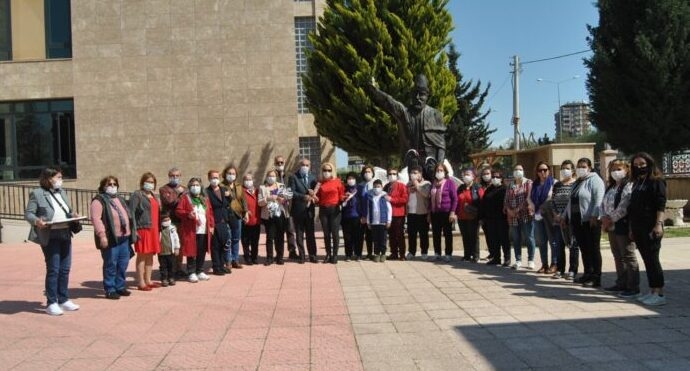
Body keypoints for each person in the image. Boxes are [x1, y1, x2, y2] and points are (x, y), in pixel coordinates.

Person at [25, 167, 82, 314]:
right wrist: (37, 221)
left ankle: (63, 299)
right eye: (58, 177)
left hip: (65, 233)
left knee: (65, 268)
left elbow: (66, 210)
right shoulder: (37, 194)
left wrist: (73, 215)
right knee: (54, 269)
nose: (60, 180)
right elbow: (29, 214)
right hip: (50, 235)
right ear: (49, 178)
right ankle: (51, 302)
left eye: (61, 177)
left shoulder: (62, 192)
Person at [367, 74, 447, 179]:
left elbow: (441, 145)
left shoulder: (435, 114)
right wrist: (375, 91)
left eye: (422, 94)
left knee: (434, 191)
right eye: (415, 94)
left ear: (427, 96)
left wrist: (439, 166)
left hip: (431, 162)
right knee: (413, 190)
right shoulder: (406, 113)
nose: (418, 98)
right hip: (413, 161)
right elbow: (389, 102)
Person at [628, 152, 667, 306]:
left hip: (651, 225)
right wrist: (632, 228)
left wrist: (659, 224)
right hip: (638, 226)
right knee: (646, 260)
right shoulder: (637, 183)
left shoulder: (657, 181)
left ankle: (660, 293)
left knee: (653, 259)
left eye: (642, 164)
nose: (639, 167)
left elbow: (660, 204)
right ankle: (652, 290)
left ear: (649, 164)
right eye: (636, 165)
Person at [90, 175, 135, 300]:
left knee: (123, 263)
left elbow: (127, 215)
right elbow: (96, 219)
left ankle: (120, 286)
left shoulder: (119, 199)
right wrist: (102, 236)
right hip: (111, 238)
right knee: (111, 264)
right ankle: (110, 289)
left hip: (124, 237)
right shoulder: (98, 201)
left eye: (114, 184)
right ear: (103, 186)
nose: (112, 187)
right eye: (109, 184)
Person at [564, 158, 605, 287]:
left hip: (590, 220)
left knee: (593, 249)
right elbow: (570, 201)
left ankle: (596, 276)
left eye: (584, 166)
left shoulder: (595, 180)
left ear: (590, 167)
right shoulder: (577, 183)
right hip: (577, 220)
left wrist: (594, 215)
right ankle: (588, 273)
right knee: (584, 249)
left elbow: (599, 198)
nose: (581, 168)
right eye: (579, 166)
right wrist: (564, 216)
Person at [601, 159, 639, 297]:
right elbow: (603, 204)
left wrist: (611, 219)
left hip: (622, 225)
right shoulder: (611, 187)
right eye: (613, 169)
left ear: (627, 169)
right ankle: (621, 282)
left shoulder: (628, 186)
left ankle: (633, 286)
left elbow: (624, 206)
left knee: (628, 256)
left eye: (619, 169)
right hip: (611, 227)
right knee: (617, 256)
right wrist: (604, 218)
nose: (616, 172)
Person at [176, 177, 215, 282]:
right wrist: (188, 214)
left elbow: (210, 213)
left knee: (201, 251)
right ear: (189, 187)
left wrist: (211, 225)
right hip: (191, 230)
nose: (195, 187)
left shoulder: (204, 199)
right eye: (193, 185)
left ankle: (200, 270)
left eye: (197, 185)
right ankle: (191, 272)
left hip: (203, 230)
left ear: (201, 187)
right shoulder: (185, 198)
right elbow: (179, 211)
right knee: (191, 251)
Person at [129, 172, 161, 290]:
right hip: (143, 229)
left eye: (152, 182)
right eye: (148, 182)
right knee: (142, 255)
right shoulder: (137, 195)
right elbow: (131, 212)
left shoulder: (153, 195)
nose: (150, 184)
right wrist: (134, 229)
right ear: (142, 182)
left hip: (154, 229)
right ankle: (141, 282)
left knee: (150, 256)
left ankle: (148, 280)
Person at [504, 164, 536, 270]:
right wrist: (509, 210)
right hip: (513, 217)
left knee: (529, 238)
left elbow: (529, 197)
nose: (518, 171)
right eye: (516, 169)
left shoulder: (528, 183)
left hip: (526, 215)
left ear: (523, 171)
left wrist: (517, 210)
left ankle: (531, 260)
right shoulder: (510, 185)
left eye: (520, 169)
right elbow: (506, 199)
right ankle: (518, 260)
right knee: (516, 239)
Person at [550, 160, 577, 280]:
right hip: (557, 220)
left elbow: (574, 203)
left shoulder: (576, 184)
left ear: (572, 170)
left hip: (570, 220)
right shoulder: (557, 185)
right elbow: (553, 201)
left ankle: (572, 270)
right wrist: (556, 215)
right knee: (559, 246)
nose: (565, 170)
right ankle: (560, 269)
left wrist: (565, 216)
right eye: (563, 168)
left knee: (573, 246)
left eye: (567, 168)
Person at [259, 169, 291, 265]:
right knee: (270, 237)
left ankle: (279, 257)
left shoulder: (281, 186)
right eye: (269, 176)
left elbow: (287, 200)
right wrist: (268, 198)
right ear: (266, 177)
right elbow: (260, 203)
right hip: (269, 216)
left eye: (273, 176)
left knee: (280, 237)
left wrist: (284, 200)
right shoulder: (262, 187)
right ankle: (269, 257)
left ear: (276, 177)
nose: (271, 178)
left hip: (280, 215)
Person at [288, 158, 318, 263]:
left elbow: (316, 193)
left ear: (309, 167)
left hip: (309, 211)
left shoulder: (313, 178)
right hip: (298, 211)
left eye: (307, 165)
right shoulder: (293, 177)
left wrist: (313, 195)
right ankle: (302, 256)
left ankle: (313, 255)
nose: (305, 167)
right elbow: (291, 192)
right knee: (299, 234)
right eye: (303, 165)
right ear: (299, 165)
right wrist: (303, 197)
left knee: (310, 234)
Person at [159, 167, 186, 278]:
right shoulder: (164, 189)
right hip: (169, 221)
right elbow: (169, 201)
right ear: (169, 176)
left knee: (180, 246)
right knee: (169, 247)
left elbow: (187, 202)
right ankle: (169, 271)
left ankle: (179, 268)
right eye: (172, 176)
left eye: (177, 176)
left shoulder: (185, 188)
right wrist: (177, 193)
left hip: (182, 221)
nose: (175, 178)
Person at [316, 162, 345, 263]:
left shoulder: (337, 182)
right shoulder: (320, 183)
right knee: (326, 233)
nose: (327, 172)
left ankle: (335, 255)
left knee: (335, 233)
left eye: (329, 170)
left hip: (335, 209)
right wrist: (315, 197)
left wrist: (344, 198)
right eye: (325, 170)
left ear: (332, 171)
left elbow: (341, 195)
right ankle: (328, 254)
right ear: (322, 171)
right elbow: (318, 198)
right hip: (323, 210)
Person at [479, 169, 510, 266]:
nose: (495, 179)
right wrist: (482, 217)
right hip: (490, 219)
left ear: (501, 179)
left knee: (504, 239)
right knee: (493, 239)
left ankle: (507, 258)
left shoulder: (505, 189)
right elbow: (483, 204)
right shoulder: (489, 189)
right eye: (493, 177)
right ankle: (496, 258)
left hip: (502, 218)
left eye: (497, 177)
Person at [530, 162, 556, 274]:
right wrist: (531, 206)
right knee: (541, 241)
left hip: (549, 215)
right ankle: (544, 264)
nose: (543, 172)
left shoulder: (554, 183)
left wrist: (543, 207)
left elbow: (552, 197)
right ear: (537, 172)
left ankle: (554, 264)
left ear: (549, 170)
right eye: (540, 170)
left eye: (545, 170)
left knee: (552, 240)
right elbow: (529, 198)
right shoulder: (534, 184)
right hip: (537, 216)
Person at [430, 163, 458, 261]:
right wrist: (430, 213)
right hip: (435, 213)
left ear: (445, 172)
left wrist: (452, 212)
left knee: (447, 234)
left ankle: (448, 254)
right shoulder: (433, 183)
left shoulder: (449, 182)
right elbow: (430, 199)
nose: (439, 172)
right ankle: (437, 253)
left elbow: (455, 199)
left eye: (441, 170)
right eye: (437, 170)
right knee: (436, 234)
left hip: (446, 212)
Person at [222, 165, 247, 270]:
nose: (231, 175)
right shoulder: (221, 186)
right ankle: (227, 261)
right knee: (228, 239)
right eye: (229, 173)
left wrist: (246, 213)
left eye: (233, 174)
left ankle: (235, 260)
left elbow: (243, 200)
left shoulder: (238, 186)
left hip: (237, 215)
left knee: (236, 238)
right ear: (225, 174)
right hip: (226, 216)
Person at [456, 168, 483, 262]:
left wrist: (480, 216)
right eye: (464, 174)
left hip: (473, 216)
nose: (465, 176)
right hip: (461, 216)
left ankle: (476, 256)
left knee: (474, 236)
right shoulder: (460, 188)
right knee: (465, 236)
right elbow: (456, 201)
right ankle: (467, 255)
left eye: (468, 174)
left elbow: (481, 202)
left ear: (473, 177)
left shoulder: (477, 187)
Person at [274, 155, 299, 259]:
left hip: (288, 207)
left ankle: (292, 251)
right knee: (278, 232)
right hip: (277, 208)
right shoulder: (272, 176)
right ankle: (279, 254)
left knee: (290, 230)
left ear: (284, 164)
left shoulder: (290, 176)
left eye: (281, 163)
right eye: (278, 163)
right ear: (275, 164)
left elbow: (293, 189)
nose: (280, 164)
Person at [208, 169, 232, 275]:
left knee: (223, 244)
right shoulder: (207, 192)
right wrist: (210, 224)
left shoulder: (223, 189)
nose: (215, 179)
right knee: (215, 246)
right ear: (209, 178)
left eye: (217, 177)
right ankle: (216, 267)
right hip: (214, 221)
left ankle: (222, 265)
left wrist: (229, 196)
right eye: (213, 177)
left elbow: (228, 202)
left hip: (224, 221)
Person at [406, 166, 431, 260]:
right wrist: (409, 190)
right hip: (411, 213)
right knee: (411, 234)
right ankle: (412, 252)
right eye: (412, 173)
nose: (413, 175)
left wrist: (417, 185)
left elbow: (426, 194)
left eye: (415, 172)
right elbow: (405, 196)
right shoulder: (408, 184)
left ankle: (424, 252)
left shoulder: (426, 183)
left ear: (420, 174)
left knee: (423, 234)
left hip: (422, 213)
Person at [384, 167, 408, 260]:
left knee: (399, 235)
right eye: (390, 174)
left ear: (397, 176)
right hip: (389, 215)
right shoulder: (386, 186)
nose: (392, 176)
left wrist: (392, 199)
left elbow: (404, 199)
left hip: (399, 214)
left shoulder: (401, 186)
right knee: (391, 235)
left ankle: (402, 254)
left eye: (394, 174)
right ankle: (394, 253)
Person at [367, 179, 392, 262]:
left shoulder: (384, 196)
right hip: (374, 222)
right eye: (375, 187)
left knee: (383, 239)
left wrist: (388, 220)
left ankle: (383, 253)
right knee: (375, 239)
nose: (376, 188)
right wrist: (368, 222)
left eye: (378, 186)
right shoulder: (370, 197)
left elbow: (389, 209)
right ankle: (377, 254)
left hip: (383, 222)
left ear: (381, 187)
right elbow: (368, 210)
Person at [341, 172, 363, 261]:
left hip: (357, 216)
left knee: (358, 236)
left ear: (356, 179)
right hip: (346, 216)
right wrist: (343, 197)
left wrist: (364, 215)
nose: (350, 180)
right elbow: (340, 199)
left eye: (352, 178)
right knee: (347, 237)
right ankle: (348, 254)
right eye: (349, 178)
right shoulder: (344, 188)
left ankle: (358, 254)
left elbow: (364, 202)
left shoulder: (360, 188)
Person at [241, 173, 261, 265]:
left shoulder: (257, 191)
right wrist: (244, 211)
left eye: (249, 179)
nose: (248, 181)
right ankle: (247, 257)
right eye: (246, 179)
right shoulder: (240, 191)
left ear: (253, 180)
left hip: (256, 220)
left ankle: (254, 257)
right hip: (245, 220)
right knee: (245, 241)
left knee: (255, 240)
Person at [356, 165, 376, 259]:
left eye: (369, 172)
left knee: (370, 235)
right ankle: (358, 254)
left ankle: (370, 253)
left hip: (373, 215)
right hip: (363, 215)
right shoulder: (360, 186)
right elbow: (358, 201)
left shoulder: (376, 185)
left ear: (372, 173)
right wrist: (362, 215)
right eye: (365, 172)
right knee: (360, 235)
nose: (367, 173)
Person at [158, 212, 180, 286]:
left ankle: (171, 278)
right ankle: (164, 279)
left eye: (168, 219)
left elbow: (176, 238)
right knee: (163, 266)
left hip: (171, 252)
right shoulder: (159, 229)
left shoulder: (172, 228)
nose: (167, 221)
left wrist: (177, 247)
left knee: (172, 266)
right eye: (165, 220)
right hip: (162, 252)